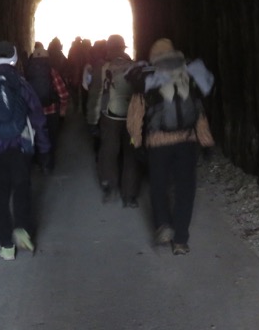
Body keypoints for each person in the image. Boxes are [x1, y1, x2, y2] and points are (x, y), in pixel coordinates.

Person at [126, 38, 215, 255]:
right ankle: (181, 240)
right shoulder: (188, 74)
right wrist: (206, 141)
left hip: (158, 144)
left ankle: (164, 224)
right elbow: (198, 112)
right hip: (186, 141)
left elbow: (135, 116)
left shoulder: (148, 78)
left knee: (159, 186)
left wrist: (136, 142)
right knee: (186, 189)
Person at [0, 41, 50, 260]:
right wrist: (44, 149)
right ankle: (22, 227)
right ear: (15, 60)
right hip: (20, 148)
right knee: (22, 191)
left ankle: (6, 246)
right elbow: (38, 118)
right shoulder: (22, 85)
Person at [86, 34, 139, 207]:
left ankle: (109, 185)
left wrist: (92, 121)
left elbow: (95, 95)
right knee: (130, 154)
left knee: (108, 151)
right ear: (123, 49)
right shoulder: (134, 67)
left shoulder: (103, 67)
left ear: (109, 48)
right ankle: (129, 196)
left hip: (110, 115)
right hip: (132, 116)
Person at [24, 45, 69, 173]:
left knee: (33, 135)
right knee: (51, 137)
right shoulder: (51, 71)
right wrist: (63, 109)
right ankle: (47, 165)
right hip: (51, 111)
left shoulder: (27, 71)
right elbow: (63, 93)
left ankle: (35, 161)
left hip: (33, 111)